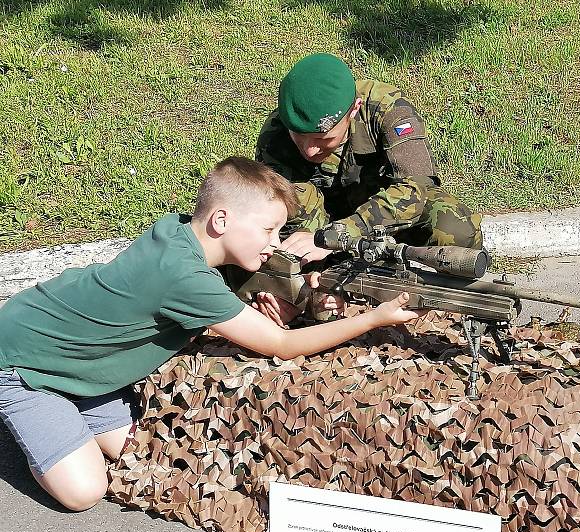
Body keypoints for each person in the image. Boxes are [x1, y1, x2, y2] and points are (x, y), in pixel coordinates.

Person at [0, 157, 421, 512]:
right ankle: (28, 425)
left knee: (128, 447)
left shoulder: (178, 232)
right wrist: (372, 320)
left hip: (69, 356)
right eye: (268, 230)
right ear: (221, 220)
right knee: (84, 492)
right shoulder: (187, 278)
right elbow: (282, 345)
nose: (276, 244)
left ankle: (60, 416)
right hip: (22, 363)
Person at [255, 53, 483, 266]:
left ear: (354, 110)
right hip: (320, 226)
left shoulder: (388, 109)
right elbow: (276, 205)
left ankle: (450, 302)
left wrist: (346, 230)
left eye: (322, 138)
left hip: (387, 213)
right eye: (299, 136)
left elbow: (414, 189)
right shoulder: (276, 133)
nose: (310, 150)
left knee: (455, 225)